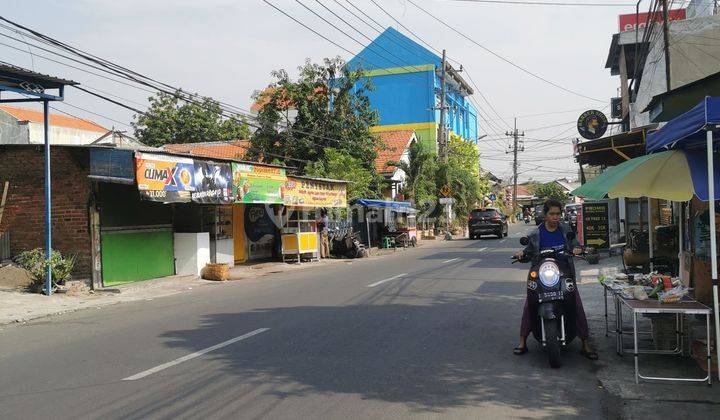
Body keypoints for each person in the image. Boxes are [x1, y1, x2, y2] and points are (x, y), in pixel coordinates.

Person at [512, 199, 598, 360]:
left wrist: (578, 249)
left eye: (558, 214)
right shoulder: (535, 234)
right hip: (541, 274)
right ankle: (522, 341)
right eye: (552, 214)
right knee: (529, 304)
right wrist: (521, 254)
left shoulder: (566, 230)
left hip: (564, 273)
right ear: (545, 215)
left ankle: (585, 344)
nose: (555, 217)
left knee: (576, 304)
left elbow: (575, 245)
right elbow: (528, 252)